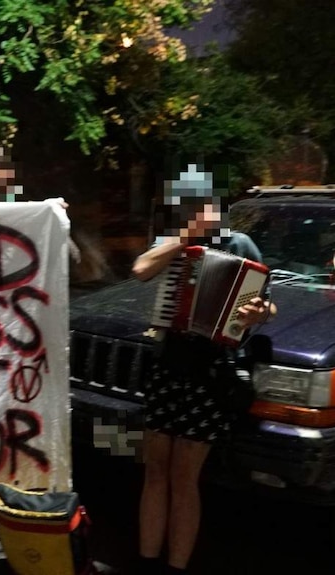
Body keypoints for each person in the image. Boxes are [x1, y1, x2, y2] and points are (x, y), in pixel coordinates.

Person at [131, 174, 276, 575]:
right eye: (188, 207)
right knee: (156, 469)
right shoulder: (172, 243)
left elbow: (266, 304)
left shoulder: (238, 245)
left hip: (209, 373)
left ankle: (175, 566)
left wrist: (258, 313)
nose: (198, 213)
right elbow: (141, 269)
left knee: (184, 475)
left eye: (203, 206)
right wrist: (183, 238)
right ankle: (146, 561)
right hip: (168, 365)